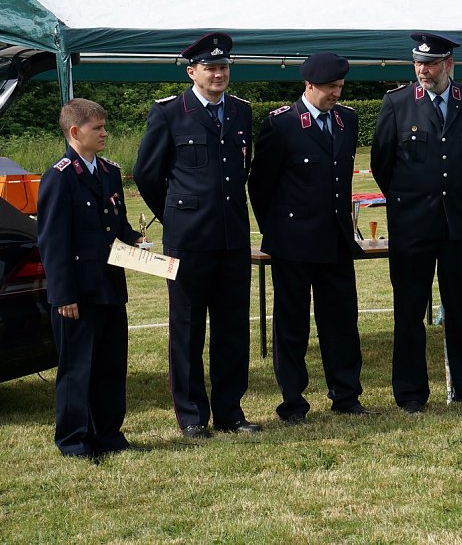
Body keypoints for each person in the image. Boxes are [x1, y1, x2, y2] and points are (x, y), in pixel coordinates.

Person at [134, 32, 261, 438]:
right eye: (211, 67)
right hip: (189, 239)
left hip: (232, 237)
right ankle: (191, 416)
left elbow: (242, 169)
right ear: (192, 72)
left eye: (224, 67)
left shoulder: (241, 111)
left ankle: (231, 412)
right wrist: (174, 216)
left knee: (232, 327)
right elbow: (147, 174)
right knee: (187, 328)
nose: (219, 73)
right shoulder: (170, 112)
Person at [371, 32, 462, 413]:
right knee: (409, 310)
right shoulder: (398, 102)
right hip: (412, 225)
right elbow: (381, 163)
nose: (424, 70)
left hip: (457, 224)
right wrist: (410, 202)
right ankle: (410, 393)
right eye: (419, 64)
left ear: (448, 65)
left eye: (432, 64)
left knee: (459, 308)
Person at [248, 53, 368, 423]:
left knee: (342, 322)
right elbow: (260, 184)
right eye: (331, 87)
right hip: (293, 242)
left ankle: (346, 395)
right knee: (293, 325)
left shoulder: (347, 120)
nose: (336, 93)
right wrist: (279, 230)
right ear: (310, 85)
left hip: (335, 241)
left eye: (340, 87)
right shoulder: (282, 124)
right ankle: (293, 402)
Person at [37, 98, 143, 461]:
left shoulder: (110, 172)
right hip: (77, 291)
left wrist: (137, 242)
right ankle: (73, 438)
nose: (104, 133)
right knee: (78, 367)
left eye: (104, 126)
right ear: (74, 132)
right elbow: (53, 241)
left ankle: (108, 432)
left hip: (110, 285)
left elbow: (119, 223)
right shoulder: (60, 176)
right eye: (97, 128)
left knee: (111, 363)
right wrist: (63, 294)